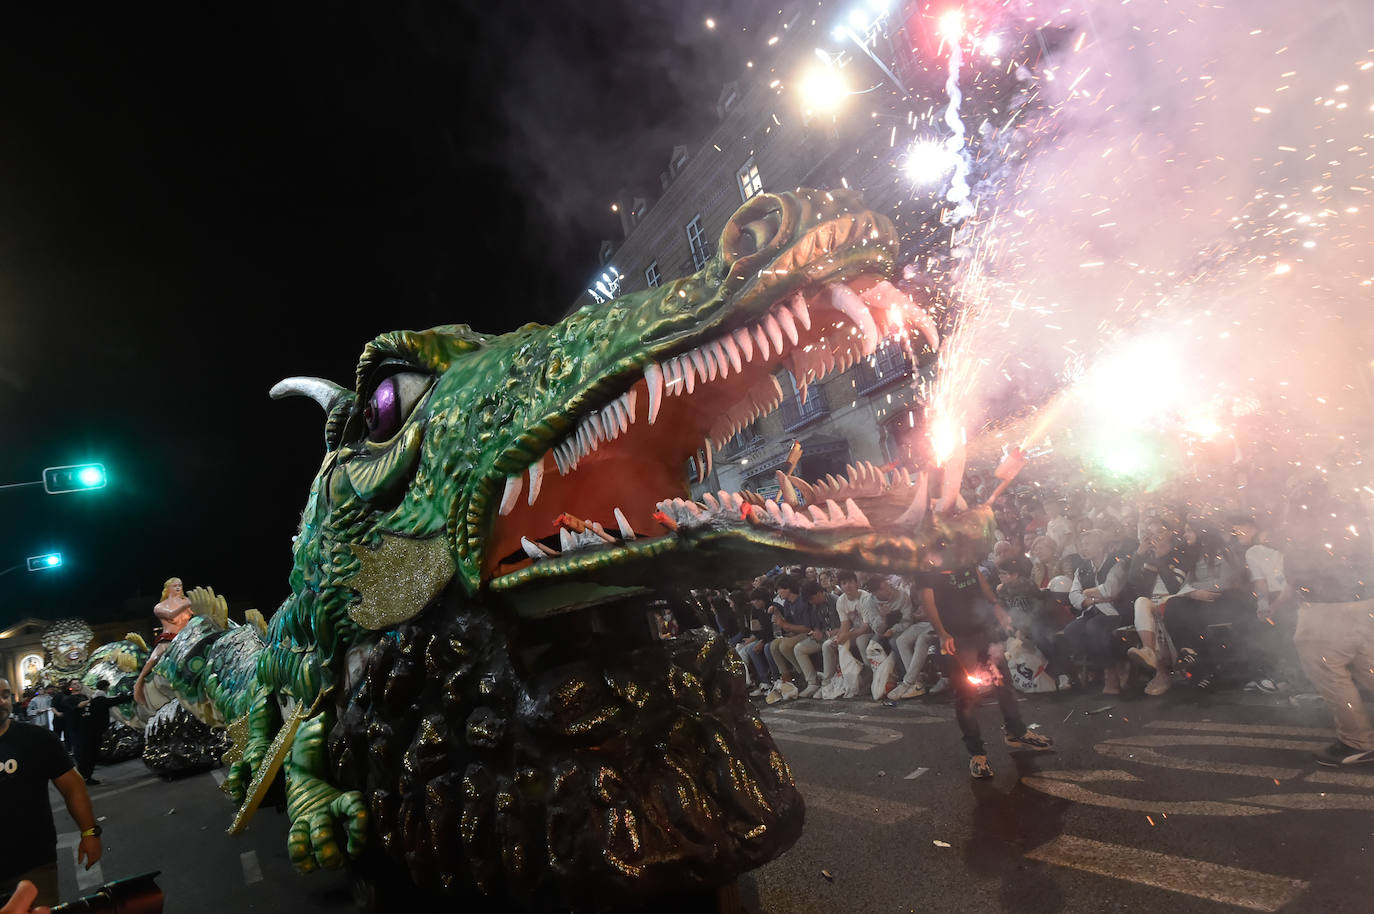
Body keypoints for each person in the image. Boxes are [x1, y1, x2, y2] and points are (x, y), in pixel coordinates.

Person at [917, 561, 1053, 779]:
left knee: (1003, 681)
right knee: (966, 695)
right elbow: (928, 602)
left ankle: (1016, 732)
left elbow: (985, 590)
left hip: (984, 631)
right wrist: (942, 633)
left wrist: (998, 609)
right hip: (958, 637)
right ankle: (977, 754)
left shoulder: (966, 558)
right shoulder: (928, 567)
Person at [1284, 478, 1374, 767]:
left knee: (1332, 676)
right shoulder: (1353, 519)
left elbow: (1295, 573)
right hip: (1367, 604)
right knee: (1369, 668)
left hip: (1325, 612)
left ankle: (1356, 742)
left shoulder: (1304, 524)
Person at [0, 677, 104, 909]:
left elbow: (72, 786)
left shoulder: (37, 740)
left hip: (32, 864)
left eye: (6, 695)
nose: (1, 701)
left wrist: (89, 833)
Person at [1125, 519, 1189, 696]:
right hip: (1152, 604)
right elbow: (1135, 585)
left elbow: (1174, 587)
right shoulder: (1148, 558)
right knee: (1140, 602)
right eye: (1151, 534)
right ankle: (1150, 654)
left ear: (1170, 534)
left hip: (1175, 601)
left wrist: (1161, 561)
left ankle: (1164, 672)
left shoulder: (1180, 556)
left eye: (1159, 532)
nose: (1154, 538)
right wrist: (1139, 555)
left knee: (1154, 609)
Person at [1062, 529, 1132, 693]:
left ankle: (1110, 673)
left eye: (1088, 544)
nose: (1083, 548)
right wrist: (1090, 600)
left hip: (1115, 611)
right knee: (1071, 631)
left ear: (1100, 547)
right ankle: (1105, 665)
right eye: (1082, 545)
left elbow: (1110, 590)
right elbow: (1073, 594)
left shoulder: (1117, 563)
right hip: (1091, 610)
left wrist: (1087, 593)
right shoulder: (1082, 568)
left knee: (1094, 627)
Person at [74, 680, 120, 785]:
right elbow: (115, 701)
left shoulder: (94, 698)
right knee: (90, 755)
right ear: (106, 687)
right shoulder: (100, 699)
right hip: (93, 732)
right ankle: (86, 777)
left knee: (86, 754)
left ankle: (83, 776)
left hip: (88, 731)